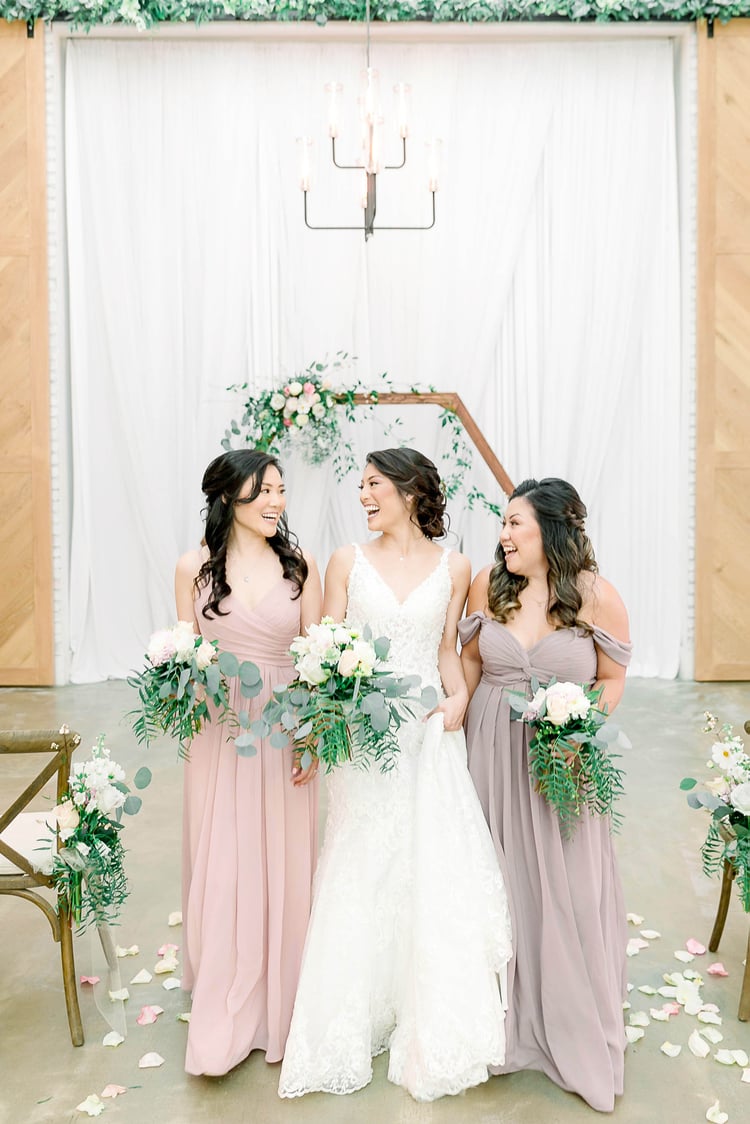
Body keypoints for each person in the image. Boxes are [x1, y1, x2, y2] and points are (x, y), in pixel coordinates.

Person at [279, 448, 512, 1102]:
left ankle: (418, 1009)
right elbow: (322, 649)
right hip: (361, 735)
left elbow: (446, 649)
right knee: (361, 860)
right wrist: (317, 726)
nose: (363, 496)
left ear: (411, 491)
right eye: (360, 487)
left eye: (373, 485)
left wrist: (460, 699)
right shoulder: (345, 561)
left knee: (424, 864)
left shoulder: (456, 566)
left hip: (425, 734)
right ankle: (352, 1019)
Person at [459, 477, 631, 1113]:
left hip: (561, 756)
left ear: (552, 532)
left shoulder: (596, 597)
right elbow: (473, 663)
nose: (502, 536)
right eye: (502, 525)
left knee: (569, 888)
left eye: (515, 525)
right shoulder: (488, 585)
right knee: (496, 882)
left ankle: (568, 1020)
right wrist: (456, 703)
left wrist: (579, 725)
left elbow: (612, 679)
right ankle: (501, 1023)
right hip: (491, 750)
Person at [175, 449, 322, 1076]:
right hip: (221, 727)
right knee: (226, 858)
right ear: (228, 497)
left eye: (281, 491)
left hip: (284, 725)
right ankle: (228, 1008)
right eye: (263, 490)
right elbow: (184, 657)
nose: (276, 502)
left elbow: (317, 659)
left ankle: (280, 1004)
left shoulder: (300, 567)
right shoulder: (194, 568)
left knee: (285, 862)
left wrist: (311, 732)